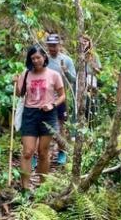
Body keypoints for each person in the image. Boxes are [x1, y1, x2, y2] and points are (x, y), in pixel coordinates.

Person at [14, 45, 65, 190]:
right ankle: (25, 188)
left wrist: (52, 105)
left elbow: (62, 96)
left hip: (47, 115)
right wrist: (17, 82)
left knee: (43, 153)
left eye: (38, 57)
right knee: (27, 152)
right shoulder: (26, 74)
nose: (36, 61)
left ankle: (43, 188)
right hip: (29, 114)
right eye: (33, 58)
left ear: (44, 57)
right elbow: (19, 94)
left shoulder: (54, 75)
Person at [45, 33, 76, 165]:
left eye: (54, 45)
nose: (52, 48)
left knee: (60, 126)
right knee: (44, 126)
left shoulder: (67, 60)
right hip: (45, 98)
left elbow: (74, 79)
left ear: (59, 45)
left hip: (61, 98)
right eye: (50, 45)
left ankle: (62, 152)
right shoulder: (43, 59)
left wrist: (66, 71)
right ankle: (43, 154)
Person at [81, 35, 102, 123]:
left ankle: (93, 121)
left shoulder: (93, 55)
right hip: (81, 80)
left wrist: (94, 67)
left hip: (91, 80)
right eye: (82, 41)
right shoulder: (79, 55)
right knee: (82, 102)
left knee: (91, 102)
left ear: (89, 43)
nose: (84, 43)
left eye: (86, 41)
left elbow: (99, 71)